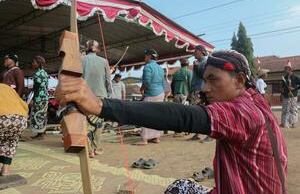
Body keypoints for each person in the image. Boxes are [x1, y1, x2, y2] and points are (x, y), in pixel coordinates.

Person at [56, 50, 287, 194]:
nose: (206, 88)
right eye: (205, 80)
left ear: (238, 80)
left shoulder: (244, 113)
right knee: (179, 187)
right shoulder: (257, 104)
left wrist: (100, 106)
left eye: (213, 80)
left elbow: (186, 117)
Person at [82, 40, 112, 157]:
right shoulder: (104, 61)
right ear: (98, 49)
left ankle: (89, 149)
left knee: (87, 123)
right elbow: (108, 80)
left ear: (86, 49)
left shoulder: (81, 60)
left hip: (84, 96)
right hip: (100, 96)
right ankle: (97, 148)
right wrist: (109, 95)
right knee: (98, 123)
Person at [0, 83, 28, 176]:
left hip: (2, 118)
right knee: (12, 140)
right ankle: (6, 169)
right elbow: (24, 105)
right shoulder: (8, 88)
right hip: (20, 119)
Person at [139, 49, 165, 145]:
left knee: (145, 116)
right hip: (160, 93)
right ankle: (156, 138)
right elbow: (163, 83)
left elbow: (147, 81)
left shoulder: (147, 67)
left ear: (149, 56)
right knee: (157, 116)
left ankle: (144, 139)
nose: (144, 58)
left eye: (145, 56)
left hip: (151, 94)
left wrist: (142, 89)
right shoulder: (160, 68)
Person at [190, 45, 211, 142]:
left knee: (204, 112)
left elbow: (204, 75)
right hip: (197, 89)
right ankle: (198, 133)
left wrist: (196, 67)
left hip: (201, 90)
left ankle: (210, 134)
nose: (194, 53)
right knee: (198, 112)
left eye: (196, 51)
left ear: (202, 51)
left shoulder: (205, 61)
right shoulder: (200, 62)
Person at [171, 58, 193, 137]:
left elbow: (172, 85)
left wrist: (174, 93)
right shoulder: (189, 72)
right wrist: (190, 96)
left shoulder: (176, 72)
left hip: (176, 94)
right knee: (185, 113)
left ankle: (177, 131)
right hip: (185, 94)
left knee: (177, 113)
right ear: (187, 64)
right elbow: (191, 85)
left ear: (181, 65)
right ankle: (186, 130)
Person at [30, 56, 49, 140]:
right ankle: (41, 133)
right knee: (42, 114)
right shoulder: (44, 72)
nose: (32, 64)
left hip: (39, 98)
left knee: (38, 114)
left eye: (34, 62)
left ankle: (40, 134)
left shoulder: (38, 73)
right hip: (44, 97)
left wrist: (33, 98)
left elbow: (36, 87)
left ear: (38, 63)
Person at [280, 60, 300, 128]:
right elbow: (282, 87)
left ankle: (293, 123)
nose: (285, 70)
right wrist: (281, 93)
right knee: (285, 109)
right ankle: (284, 123)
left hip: (293, 95)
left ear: (290, 69)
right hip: (286, 96)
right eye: (285, 68)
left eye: (287, 68)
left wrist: (294, 89)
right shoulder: (284, 78)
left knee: (293, 109)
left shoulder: (296, 77)